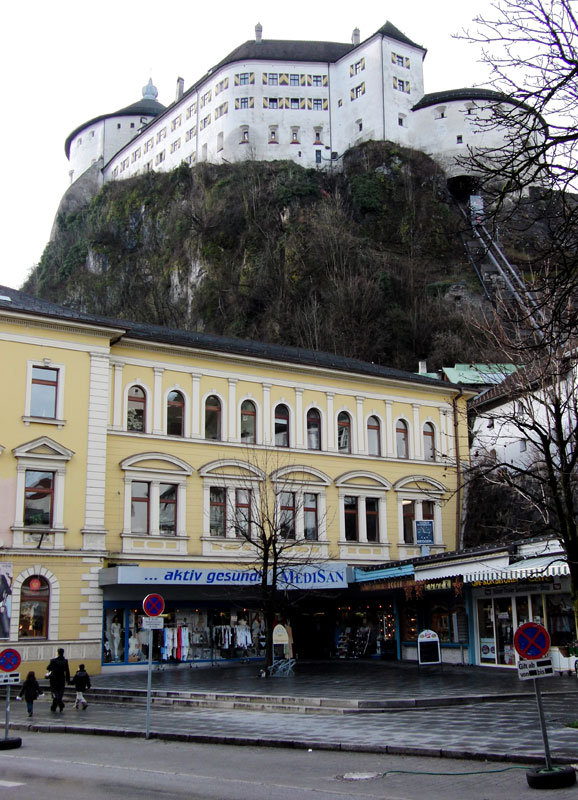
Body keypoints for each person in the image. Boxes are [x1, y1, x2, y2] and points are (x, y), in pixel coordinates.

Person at [46, 647, 70, 712]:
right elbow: (67, 671)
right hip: (62, 678)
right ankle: (56, 706)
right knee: (60, 692)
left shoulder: (53, 661)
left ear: (58, 653)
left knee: (54, 693)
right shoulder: (65, 661)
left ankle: (59, 704)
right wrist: (68, 680)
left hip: (54, 678)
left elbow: (48, 668)